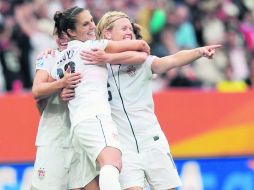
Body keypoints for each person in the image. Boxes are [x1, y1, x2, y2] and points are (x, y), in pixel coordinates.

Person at [79, 11, 221, 190]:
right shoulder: (95, 67)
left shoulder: (142, 62)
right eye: (123, 28)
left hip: (152, 141)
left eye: (130, 28)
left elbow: (173, 60)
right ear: (107, 33)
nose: (129, 32)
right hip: (122, 148)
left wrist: (199, 51)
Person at [51, 6, 150, 190]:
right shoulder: (92, 46)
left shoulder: (58, 59)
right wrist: (106, 57)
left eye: (91, 21)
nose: (92, 26)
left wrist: (60, 90)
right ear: (71, 32)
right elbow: (142, 47)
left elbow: (52, 88)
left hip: (77, 124)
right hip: (95, 117)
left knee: (89, 184)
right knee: (113, 162)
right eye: (85, 24)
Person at [31, 34, 99, 190]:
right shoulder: (49, 59)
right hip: (56, 139)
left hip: (86, 139)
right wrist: (59, 88)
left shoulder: (95, 58)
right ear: (60, 40)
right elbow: (38, 96)